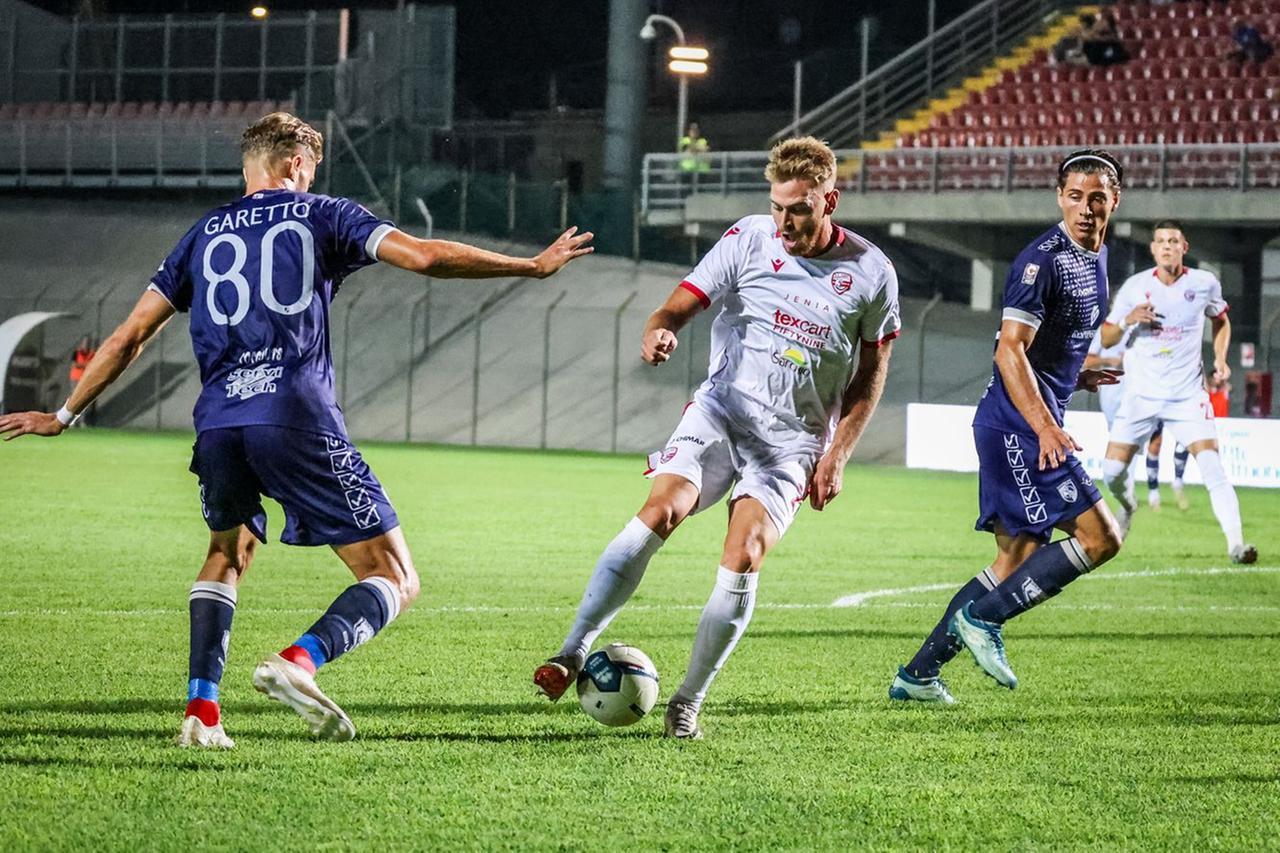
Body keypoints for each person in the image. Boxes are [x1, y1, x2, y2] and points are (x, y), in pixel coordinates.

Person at [0, 112, 594, 749]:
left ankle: (201, 714)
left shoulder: (202, 234)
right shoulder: (323, 214)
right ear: (293, 165)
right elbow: (423, 256)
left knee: (227, 554)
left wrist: (62, 414)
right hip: (294, 416)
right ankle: (299, 661)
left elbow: (129, 336)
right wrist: (529, 267)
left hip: (220, 424)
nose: (312, 180)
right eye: (310, 169)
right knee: (394, 577)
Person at [533, 136, 900, 738]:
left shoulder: (871, 273)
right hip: (723, 413)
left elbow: (872, 373)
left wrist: (839, 453)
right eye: (778, 206)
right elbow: (674, 308)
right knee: (661, 510)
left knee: (744, 552)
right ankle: (573, 649)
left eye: (800, 209)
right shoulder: (747, 239)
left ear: (829, 200)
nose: (784, 221)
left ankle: (687, 702)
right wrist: (659, 331)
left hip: (795, 442)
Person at [890, 149, 1127, 704]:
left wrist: (1077, 377)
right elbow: (1007, 353)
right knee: (1101, 538)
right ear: (1059, 198)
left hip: (1028, 415)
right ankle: (984, 620)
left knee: (1013, 560)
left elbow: (1044, 349)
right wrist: (1046, 426)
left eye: (1097, 198)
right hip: (1019, 425)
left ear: (1114, 201)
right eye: (1075, 197)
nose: (1086, 209)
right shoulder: (1039, 262)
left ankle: (917, 675)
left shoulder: (1096, 255)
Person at [1098, 221, 1256, 564]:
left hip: (1187, 395)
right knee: (1110, 472)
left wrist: (1219, 359)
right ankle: (1128, 506)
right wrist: (1128, 320)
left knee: (1212, 465)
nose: (1167, 246)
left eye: (1173, 241)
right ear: (1152, 249)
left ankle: (1237, 545)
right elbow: (1107, 337)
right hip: (1141, 395)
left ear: (1184, 246)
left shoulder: (1204, 283)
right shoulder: (1135, 287)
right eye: (1160, 242)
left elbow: (1221, 319)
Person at [1143, 422, 1190, 511]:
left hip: (1178, 408)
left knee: (1183, 440)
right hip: (1156, 408)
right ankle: (1153, 491)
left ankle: (1178, 481)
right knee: (1156, 441)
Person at [68, 335, 96, 426]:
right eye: (85, 342)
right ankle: (72, 421)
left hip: (85, 380)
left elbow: (93, 366)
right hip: (75, 379)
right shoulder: (77, 353)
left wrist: (83, 365)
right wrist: (85, 365)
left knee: (83, 401)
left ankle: (82, 421)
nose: (86, 344)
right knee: (74, 400)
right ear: (82, 343)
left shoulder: (92, 354)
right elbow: (74, 365)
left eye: (88, 343)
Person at [679, 121, 712, 190]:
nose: (694, 132)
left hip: (701, 171)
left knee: (701, 192)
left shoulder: (703, 140)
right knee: (686, 191)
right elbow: (690, 149)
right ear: (689, 131)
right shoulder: (684, 140)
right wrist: (700, 148)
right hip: (687, 171)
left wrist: (696, 148)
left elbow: (707, 150)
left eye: (696, 130)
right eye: (692, 130)